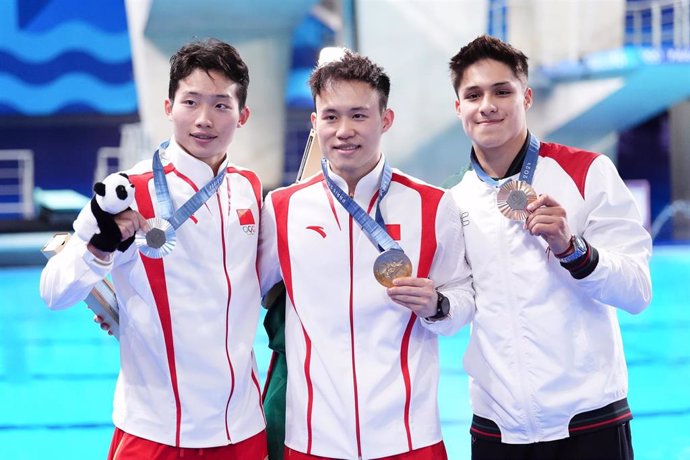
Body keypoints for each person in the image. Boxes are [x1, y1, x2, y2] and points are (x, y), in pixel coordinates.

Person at [40, 38, 268, 459]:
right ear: (168, 107)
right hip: (156, 432)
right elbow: (54, 292)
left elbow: (269, 282)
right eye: (190, 102)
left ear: (243, 115)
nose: (204, 119)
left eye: (221, 105)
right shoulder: (127, 192)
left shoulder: (249, 189)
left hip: (241, 428)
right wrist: (100, 250)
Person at [258, 50, 475, 459]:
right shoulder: (282, 210)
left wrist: (438, 305)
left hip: (409, 437)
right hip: (312, 440)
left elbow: (464, 299)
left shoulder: (432, 205)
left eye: (359, 115)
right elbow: (236, 291)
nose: (344, 131)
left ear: (385, 120)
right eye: (331, 116)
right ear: (314, 122)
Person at [447, 34, 653, 460]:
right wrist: (435, 305)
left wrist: (572, 250)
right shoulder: (453, 203)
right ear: (459, 108)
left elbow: (637, 292)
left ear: (526, 97)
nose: (488, 104)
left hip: (589, 421)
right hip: (496, 429)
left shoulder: (587, 172)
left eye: (502, 91)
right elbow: (458, 311)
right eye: (474, 94)